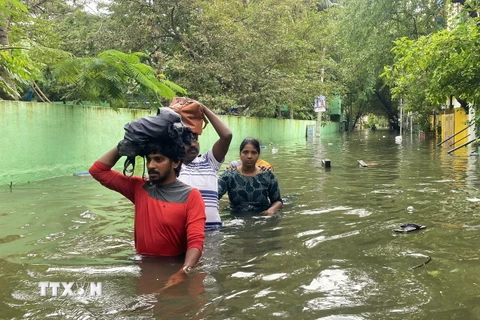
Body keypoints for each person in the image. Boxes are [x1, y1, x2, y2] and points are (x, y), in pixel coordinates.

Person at [89, 140, 206, 286]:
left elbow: (195, 241)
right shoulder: (139, 188)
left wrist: (183, 271)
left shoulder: (192, 196)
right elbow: (97, 171)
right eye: (148, 160)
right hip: (142, 265)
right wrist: (123, 146)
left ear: (175, 162)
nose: (151, 165)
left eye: (158, 159)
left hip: (174, 268)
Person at [176, 104, 232, 230]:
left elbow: (226, 136)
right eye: (186, 141)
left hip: (213, 236)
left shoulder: (209, 161)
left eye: (195, 139)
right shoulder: (170, 167)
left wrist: (204, 109)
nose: (192, 144)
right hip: (183, 236)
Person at [218, 137, 283, 215]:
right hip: (236, 219)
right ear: (240, 154)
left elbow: (278, 201)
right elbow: (214, 196)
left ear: (258, 155)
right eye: (245, 152)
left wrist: (271, 210)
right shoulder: (229, 176)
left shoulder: (268, 175)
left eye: (253, 152)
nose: (249, 156)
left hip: (262, 217)